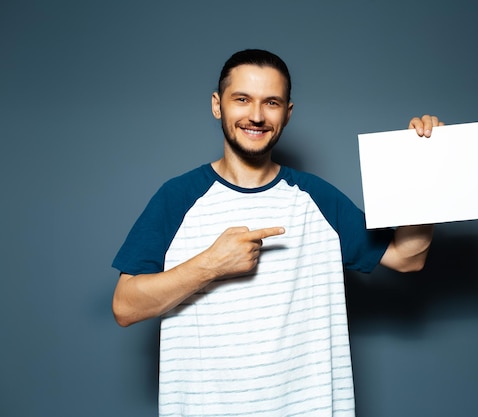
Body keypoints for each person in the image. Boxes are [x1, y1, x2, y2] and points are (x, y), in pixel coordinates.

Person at [112, 49, 444, 417]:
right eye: (242, 99)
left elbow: (407, 257)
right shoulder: (177, 198)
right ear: (217, 105)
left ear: (287, 112)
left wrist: (424, 170)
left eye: (271, 102)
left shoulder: (315, 197)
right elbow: (126, 306)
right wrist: (210, 265)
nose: (256, 115)